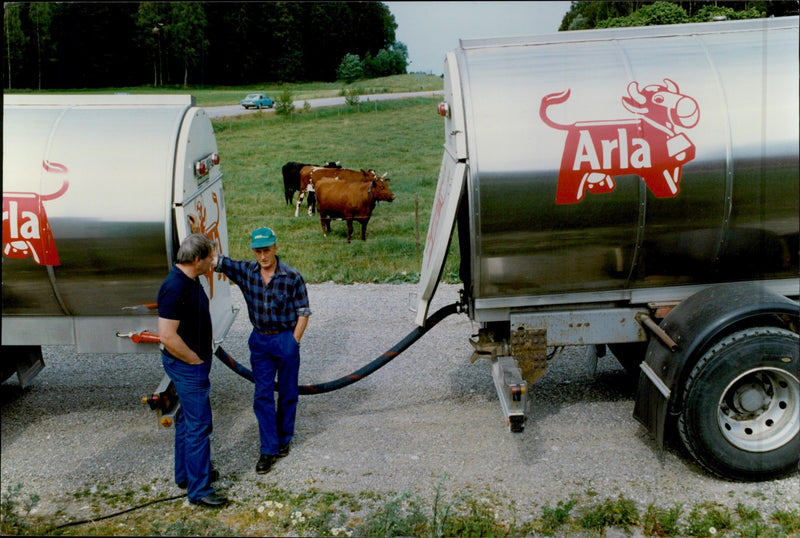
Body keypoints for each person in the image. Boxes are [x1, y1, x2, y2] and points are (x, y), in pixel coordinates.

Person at [213, 226, 311, 475]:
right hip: (260, 342)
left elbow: (303, 311)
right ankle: (268, 449)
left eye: (267, 250)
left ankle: (284, 438)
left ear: (276, 248)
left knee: (288, 393)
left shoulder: (291, 276)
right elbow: (216, 260)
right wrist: (196, 229)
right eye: (258, 251)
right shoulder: (247, 272)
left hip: (285, 340)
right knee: (263, 395)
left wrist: (294, 341)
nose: (263, 256)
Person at [157, 233, 228, 508]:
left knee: (187, 420)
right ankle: (199, 491)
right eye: (210, 256)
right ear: (197, 259)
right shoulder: (174, 287)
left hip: (192, 364)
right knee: (199, 426)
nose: (214, 260)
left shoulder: (189, 278)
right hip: (188, 366)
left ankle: (186, 475)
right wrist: (195, 360)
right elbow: (167, 336)